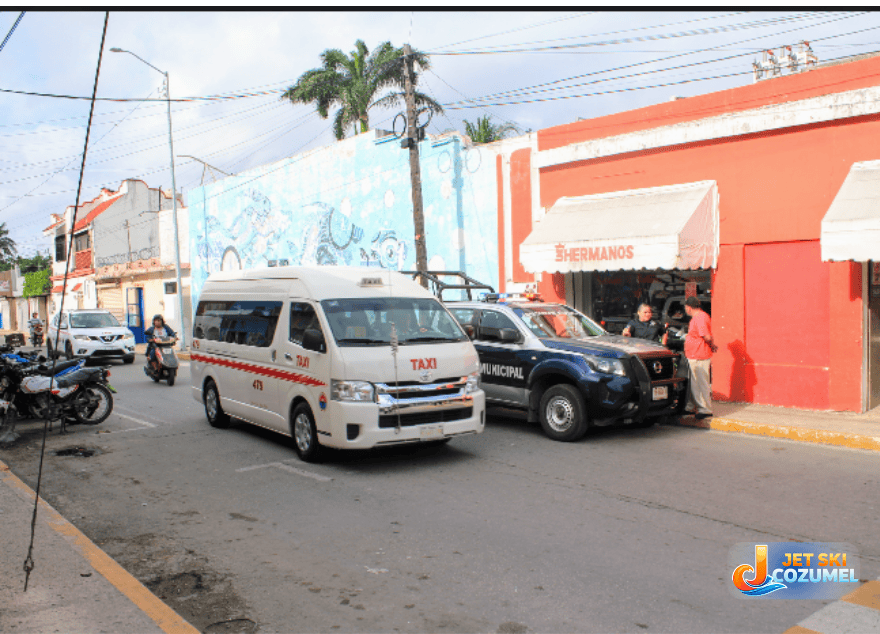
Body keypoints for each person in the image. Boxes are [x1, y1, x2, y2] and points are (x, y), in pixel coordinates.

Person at [683, 296, 717, 419]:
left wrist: (712, 345)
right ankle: (692, 406)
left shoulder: (700, 317)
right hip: (695, 354)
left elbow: (706, 336)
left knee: (700, 383)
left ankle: (705, 409)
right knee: (694, 383)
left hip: (699, 355)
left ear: (689, 307)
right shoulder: (699, 317)